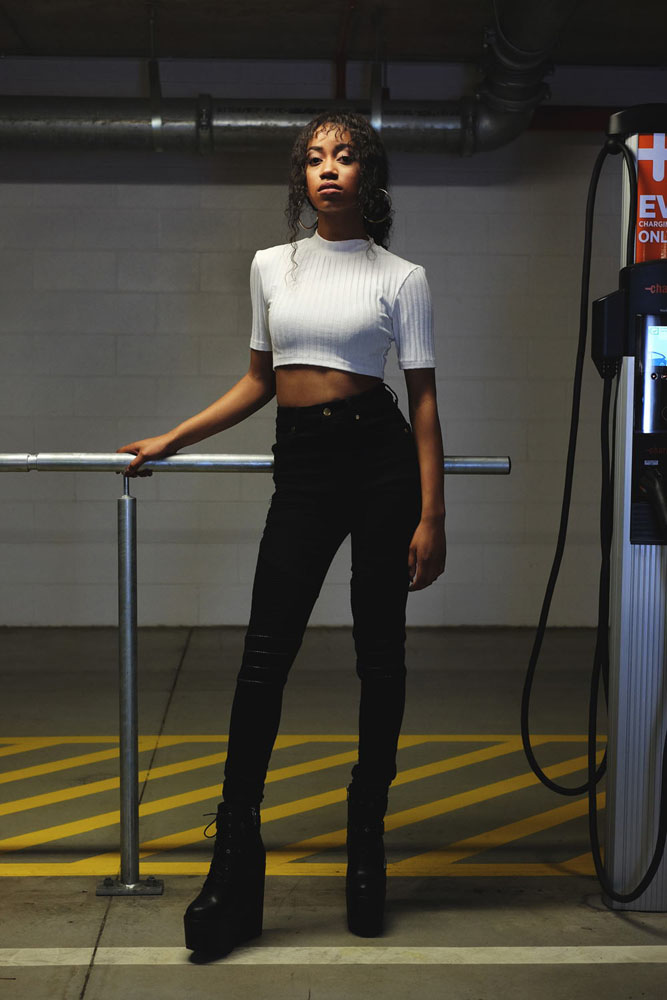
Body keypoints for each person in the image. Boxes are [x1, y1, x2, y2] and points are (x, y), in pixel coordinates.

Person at [116, 110, 446, 958]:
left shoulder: (401, 276)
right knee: (265, 654)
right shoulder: (272, 266)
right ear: (300, 178)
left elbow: (421, 404)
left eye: (342, 157)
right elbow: (259, 381)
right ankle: (234, 858)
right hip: (301, 465)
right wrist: (172, 437)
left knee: (381, 652)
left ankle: (365, 839)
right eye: (313, 158)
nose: (326, 169)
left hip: (378, 464)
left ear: (367, 177)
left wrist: (431, 514)